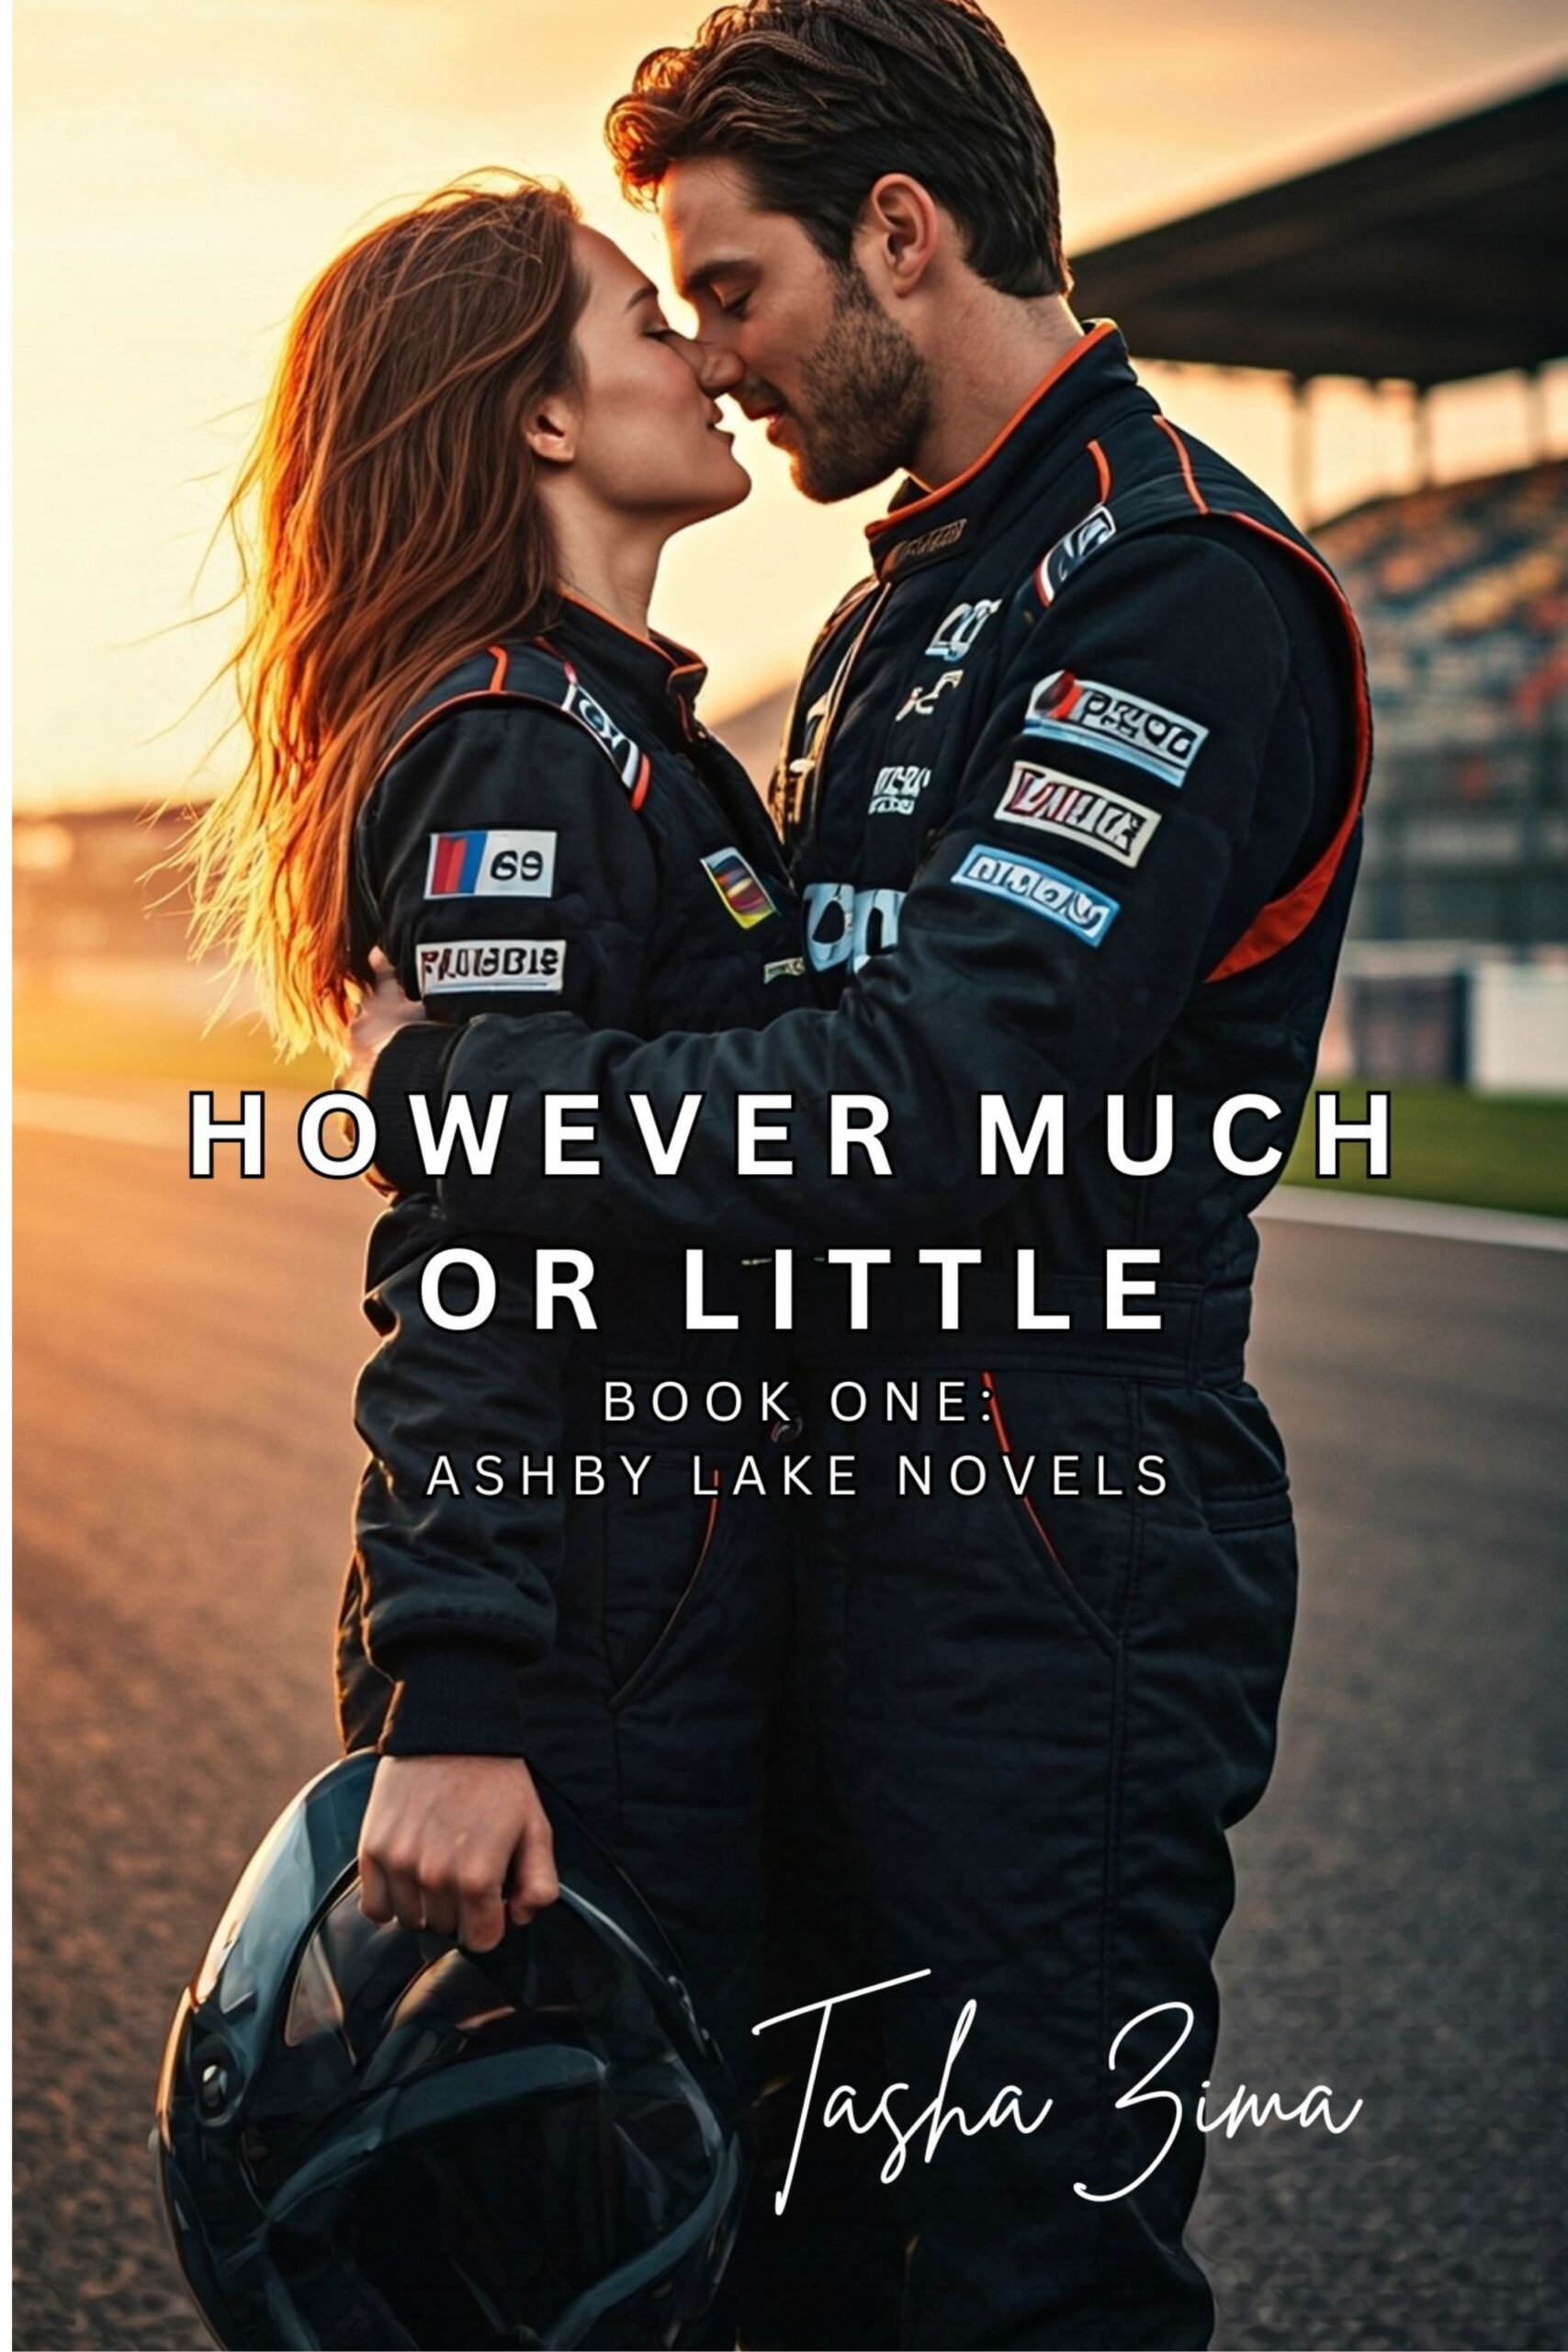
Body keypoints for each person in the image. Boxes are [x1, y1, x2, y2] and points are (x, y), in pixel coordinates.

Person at [347, 6, 1371, 2348]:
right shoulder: (889, 602)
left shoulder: (1170, 577)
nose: (716, 364)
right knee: (774, 2253)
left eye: (730, 288)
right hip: (821, 1531)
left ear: (896, 238)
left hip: (1057, 1544)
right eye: (673, 311)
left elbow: (928, 1085)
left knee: (1024, 2267)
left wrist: (487, 1104)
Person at [185, 175, 807, 2162]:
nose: (706, 354)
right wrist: (454, 1703)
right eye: (648, 320)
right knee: (603, 2218)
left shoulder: (618, 729)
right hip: (601, 1631)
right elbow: (471, 1235)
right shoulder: (514, 742)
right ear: (537, 416)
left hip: (677, 1580)